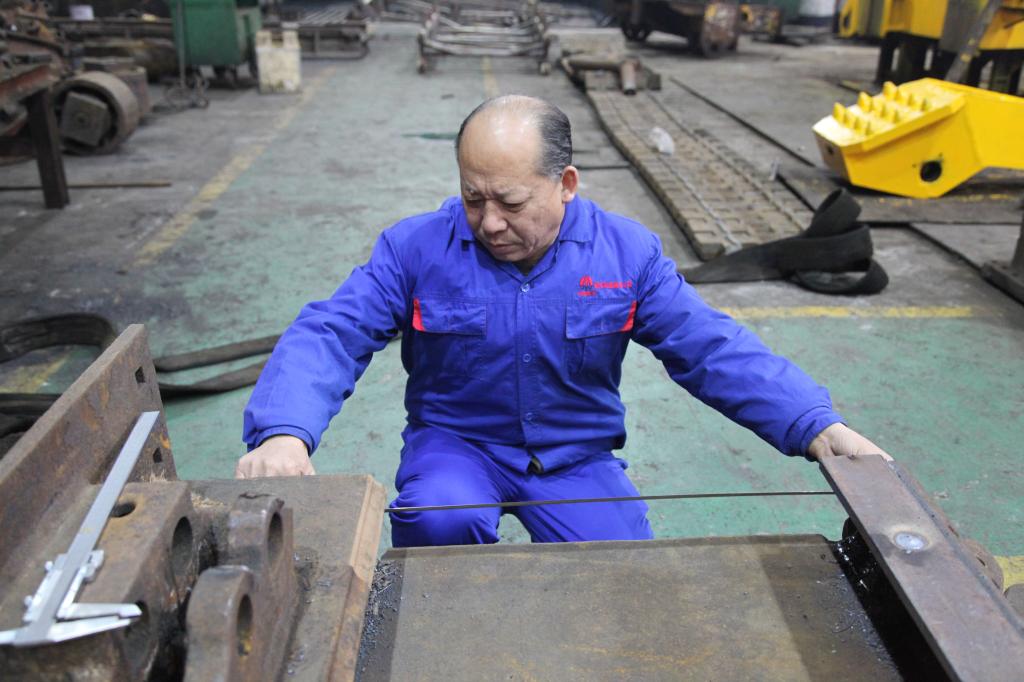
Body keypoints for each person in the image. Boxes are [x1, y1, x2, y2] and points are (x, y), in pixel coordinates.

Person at [237, 95, 888, 546]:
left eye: (511, 201)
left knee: (623, 572)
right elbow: (333, 331)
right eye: (472, 197)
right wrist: (284, 433)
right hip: (458, 446)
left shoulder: (626, 255)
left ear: (566, 184)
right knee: (438, 518)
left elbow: (710, 347)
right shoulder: (415, 249)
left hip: (574, 456)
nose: (490, 222)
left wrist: (815, 424)